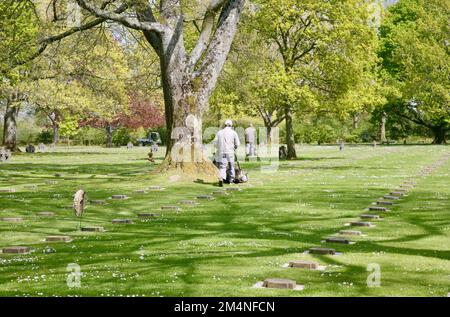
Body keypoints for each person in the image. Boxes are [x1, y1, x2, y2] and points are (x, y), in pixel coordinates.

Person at [214, 119, 240, 187]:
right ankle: (231, 180)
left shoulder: (219, 132)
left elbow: (215, 143)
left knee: (222, 166)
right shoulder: (233, 132)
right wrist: (235, 147)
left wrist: (219, 148)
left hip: (222, 152)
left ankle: (221, 178)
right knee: (231, 166)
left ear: (224, 125)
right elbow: (237, 143)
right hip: (230, 152)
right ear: (231, 125)